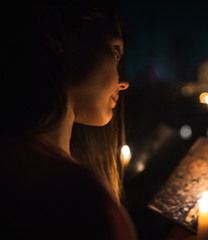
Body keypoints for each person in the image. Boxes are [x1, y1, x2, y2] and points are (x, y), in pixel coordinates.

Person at [0, 1, 136, 239]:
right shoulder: (70, 194)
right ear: (55, 34)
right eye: (115, 52)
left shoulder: (17, 159)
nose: (123, 81)